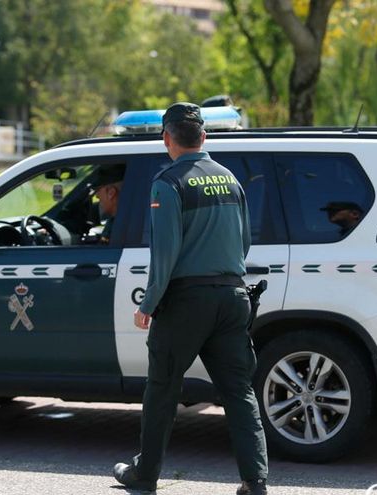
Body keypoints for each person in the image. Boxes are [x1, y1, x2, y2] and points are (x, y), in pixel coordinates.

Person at [113, 103, 269, 495]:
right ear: (204, 137)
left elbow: (164, 252)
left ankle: (144, 475)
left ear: (167, 138)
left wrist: (148, 304)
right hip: (234, 297)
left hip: (187, 301)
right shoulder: (230, 179)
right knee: (238, 391)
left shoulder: (168, 182)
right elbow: (244, 242)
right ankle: (256, 481)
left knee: (163, 387)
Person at [87, 165, 124, 244]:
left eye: (98, 189)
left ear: (111, 193)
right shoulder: (119, 221)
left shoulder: (121, 228)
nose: (97, 195)